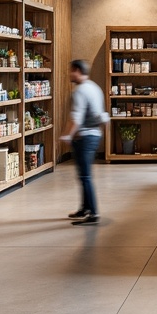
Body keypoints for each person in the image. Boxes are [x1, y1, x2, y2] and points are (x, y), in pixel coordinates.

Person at [60, 59, 109, 224]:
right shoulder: (95, 87)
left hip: (85, 136)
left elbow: (77, 117)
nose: (69, 74)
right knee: (83, 175)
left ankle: (93, 213)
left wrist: (68, 135)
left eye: (71, 71)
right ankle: (84, 208)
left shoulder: (80, 91)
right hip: (95, 134)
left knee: (85, 176)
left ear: (78, 71)